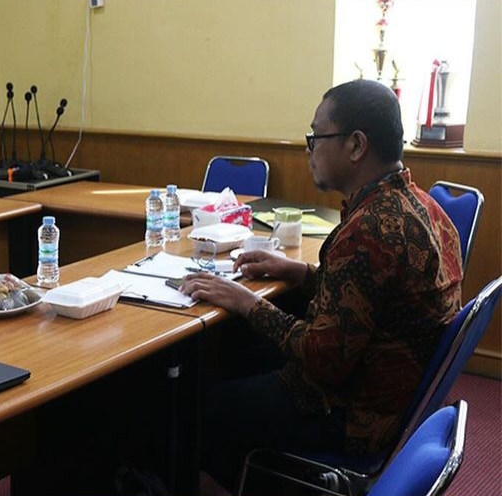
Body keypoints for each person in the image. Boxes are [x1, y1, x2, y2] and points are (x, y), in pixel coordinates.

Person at [182, 79, 463, 489]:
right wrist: (301, 273)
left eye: (316, 136)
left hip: (352, 413)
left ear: (356, 145)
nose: (309, 149)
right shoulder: (426, 207)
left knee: (195, 407)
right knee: (236, 352)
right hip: (392, 397)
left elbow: (324, 358)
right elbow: (368, 300)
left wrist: (246, 302)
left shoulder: (368, 231)